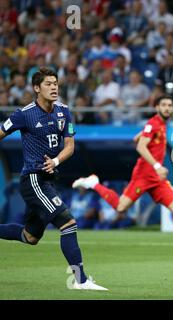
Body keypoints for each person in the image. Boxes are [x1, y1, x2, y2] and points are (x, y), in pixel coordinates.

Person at [0, 67, 107, 290]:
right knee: (68, 223)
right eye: (48, 84)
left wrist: (56, 161)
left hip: (48, 179)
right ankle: (81, 280)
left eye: (56, 83)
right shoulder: (24, 113)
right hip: (33, 180)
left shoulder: (64, 111)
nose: (54, 87)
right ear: (36, 88)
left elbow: (70, 146)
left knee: (29, 236)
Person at [72, 95, 173, 255]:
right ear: (157, 107)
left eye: (170, 105)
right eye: (164, 105)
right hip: (144, 176)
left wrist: (140, 137)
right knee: (120, 206)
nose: (167, 108)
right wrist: (158, 165)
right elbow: (141, 147)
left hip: (157, 179)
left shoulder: (160, 124)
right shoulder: (153, 124)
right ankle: (93, 183)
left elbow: (138, 139)